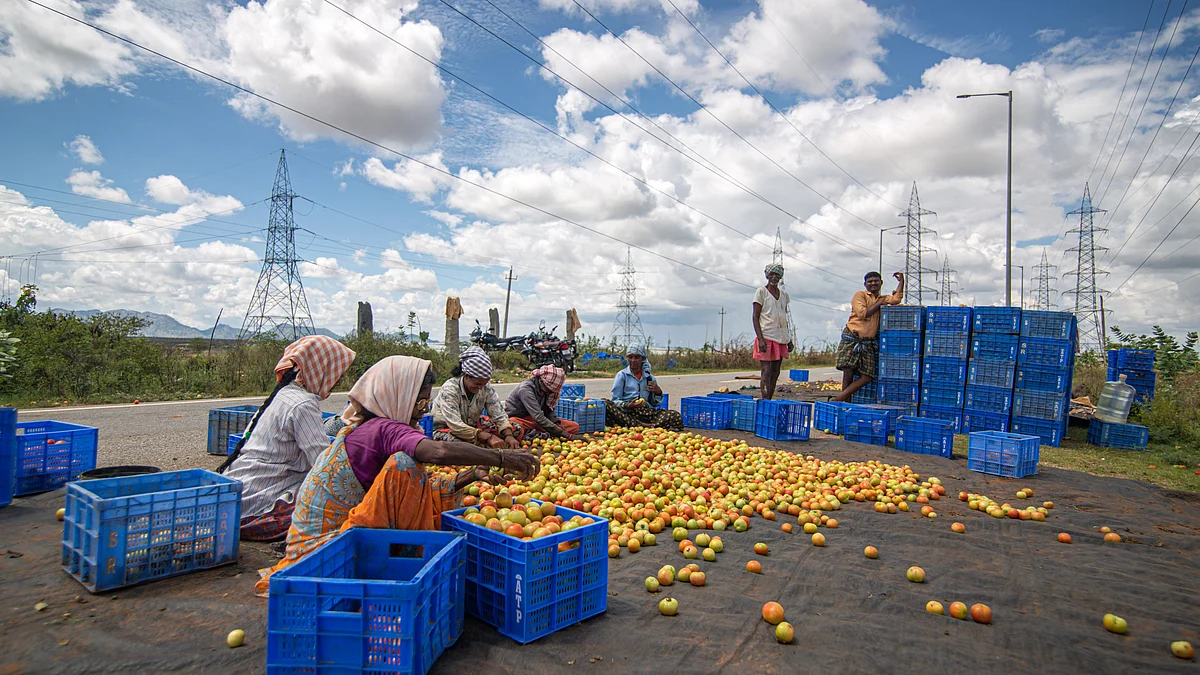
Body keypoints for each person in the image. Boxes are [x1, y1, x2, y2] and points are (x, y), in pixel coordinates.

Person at [254, 355, 540, 596]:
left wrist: (468, 475)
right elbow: (437, 452)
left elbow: (393, 486)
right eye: (421, 403)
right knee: (406, 465)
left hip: (321, 546)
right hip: (325, 553)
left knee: (408, 466)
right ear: (399, 395)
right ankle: (408, 558)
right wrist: (503, 458)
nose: (423, 411)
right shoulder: (382, 428)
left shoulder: (367, 426)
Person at [220, 335, 356, 542]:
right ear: (321, 369)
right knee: (338, 501)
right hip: (258, 502)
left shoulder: (284, 394)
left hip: (240, 494)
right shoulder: (304, 404)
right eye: (337, 373)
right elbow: (323, 465)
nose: (338, 381)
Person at [832, 271, 905, 402]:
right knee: (848, 372)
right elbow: (862, 313)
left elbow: (896, 299)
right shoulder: (860, 295)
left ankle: (838, 399)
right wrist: (879, 304)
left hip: (867, 342)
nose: (873, 283)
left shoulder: (883, 298)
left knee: (868, 375)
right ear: (865, 284)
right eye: (870, 281)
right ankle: (844, 404)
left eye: (876, 281)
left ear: (881, 283)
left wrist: (901, 282)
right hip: (852, 337)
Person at [431, 346, 521, 449]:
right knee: (458, 445)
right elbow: (455, 425)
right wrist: (488, 437)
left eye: (484, 384)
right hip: (448, 428)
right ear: (466, 376)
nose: (480, 388)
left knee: (515, 428)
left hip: (472, 427)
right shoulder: (450, 389)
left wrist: (508, 435)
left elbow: (498, 415)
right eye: (477, 384)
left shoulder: (486, 388)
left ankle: (482, 446)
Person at [604, 345, 684, 430]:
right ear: (627, 358)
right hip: (626, 412)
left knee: (675, 415)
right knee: (605, 403)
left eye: (637, 357)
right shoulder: (622, 376)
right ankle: (643, 425)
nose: (633, 360)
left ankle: (641, 425)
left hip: (645, 413)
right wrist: (627, 405)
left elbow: (654, 404)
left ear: (643, 359)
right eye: (630, 357)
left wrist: (658, 392)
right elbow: (615, 400)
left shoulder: (649, 378)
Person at [504, 365, 580, 440]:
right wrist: (565, 434)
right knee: (515, 428)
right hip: (522, 420)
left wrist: (556, 423)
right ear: (541, 381)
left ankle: (538, 434)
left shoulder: (547, 391)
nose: (551, 393)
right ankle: (544, 433)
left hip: (539, 421)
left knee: (574, 426)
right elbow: (538, 417)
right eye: (549, 390)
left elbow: (549, 409)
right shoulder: (526, 389)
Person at [753, 264, 794, 400]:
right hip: (766, 336)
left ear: (780, 277)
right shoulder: (761, 292)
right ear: (767, 276)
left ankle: (769, 398)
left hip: (781, 337)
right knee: (766, 371)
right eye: (772, 275)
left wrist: (789, 339)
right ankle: (765, 399)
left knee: (775, 371)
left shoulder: (784, 296)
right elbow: (755, 317)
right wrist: (761, 339)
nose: (774, 277)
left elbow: (784, 317)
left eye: (777, 275)